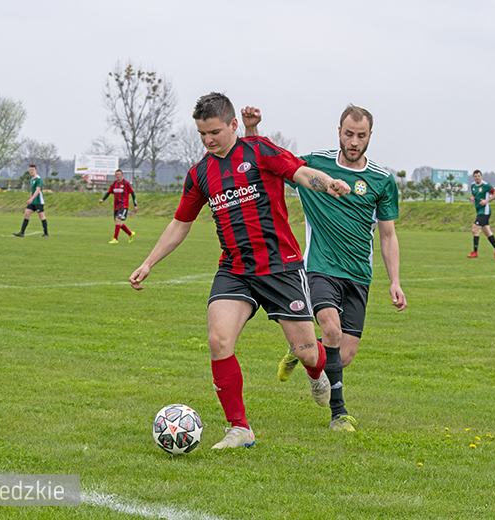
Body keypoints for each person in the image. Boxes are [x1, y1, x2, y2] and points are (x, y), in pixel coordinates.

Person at [129, 93, 351, 449]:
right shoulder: (200, 173)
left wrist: (329, 183)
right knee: (218, 340)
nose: (208, 140)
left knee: (309, 351)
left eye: (214, 131)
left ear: (233, 125)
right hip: (235, 269)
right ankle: (239, 428)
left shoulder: (258, 151)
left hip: (280, 267)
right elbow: (179, 223)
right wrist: (148, 262)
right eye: (202, 134)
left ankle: (312, 368)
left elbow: (300, 172)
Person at [243, 104, 407, 432]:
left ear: (370, 136)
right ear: (339, 132)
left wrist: (395, 281)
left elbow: (388, 235)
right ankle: (338, 414)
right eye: (349, 134)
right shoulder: (315, 164)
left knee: (343, 355)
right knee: (331, 330)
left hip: (359, 273)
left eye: (361, 136)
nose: (354, 141)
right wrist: (251, 131)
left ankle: (303, 350)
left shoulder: (381, 179)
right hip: (320, 266)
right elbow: (268, 161)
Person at [467, 170, 495, 258]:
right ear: (473, 177)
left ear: (481, 176)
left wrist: (486, 201)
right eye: (475, 176)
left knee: (475, 229)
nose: (477, 177)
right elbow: (473, 194)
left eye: (478, 176)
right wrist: (472, 197)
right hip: (479, 211)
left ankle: (475, 252)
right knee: (487, 232)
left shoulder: (486, 185)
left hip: (485, 211)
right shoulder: (473, 185)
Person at [99, 169, 137, 244]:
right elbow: (108, 192)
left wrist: (135, 205)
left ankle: (115, 239)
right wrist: (103, 199)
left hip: (123, 205)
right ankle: (130, 233)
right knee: (118, 222)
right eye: (116, 175)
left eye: (119, 174)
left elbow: (132, 194)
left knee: (117, 220)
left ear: (122, 175)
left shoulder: (126, 184)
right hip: (116, 206)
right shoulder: (114, 184)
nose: (118, 176)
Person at [13, 165, 48, 237]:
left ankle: (46, 234)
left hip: (38, 201)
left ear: (36, 170)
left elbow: (37, 190)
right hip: (33, 202)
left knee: (42, 217)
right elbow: (32, 191)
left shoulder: (38, 179)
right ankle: (22, 233)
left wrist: (32, 198)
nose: (31, 171)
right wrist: (30, 199)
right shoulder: (31, 179)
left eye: (32, 170)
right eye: (30, 170)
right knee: (26, 214)